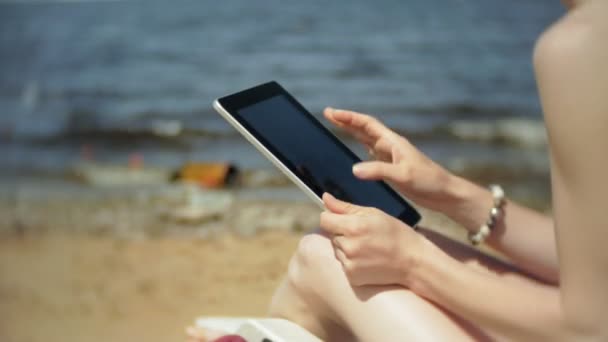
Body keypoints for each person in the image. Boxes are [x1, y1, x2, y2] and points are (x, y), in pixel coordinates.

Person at [188, 0, 608, 340]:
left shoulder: (580, 43)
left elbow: (589, 327)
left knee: (324, 256)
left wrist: (414, 263)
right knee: (341, 251)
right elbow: (593, 271)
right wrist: (450, 193)